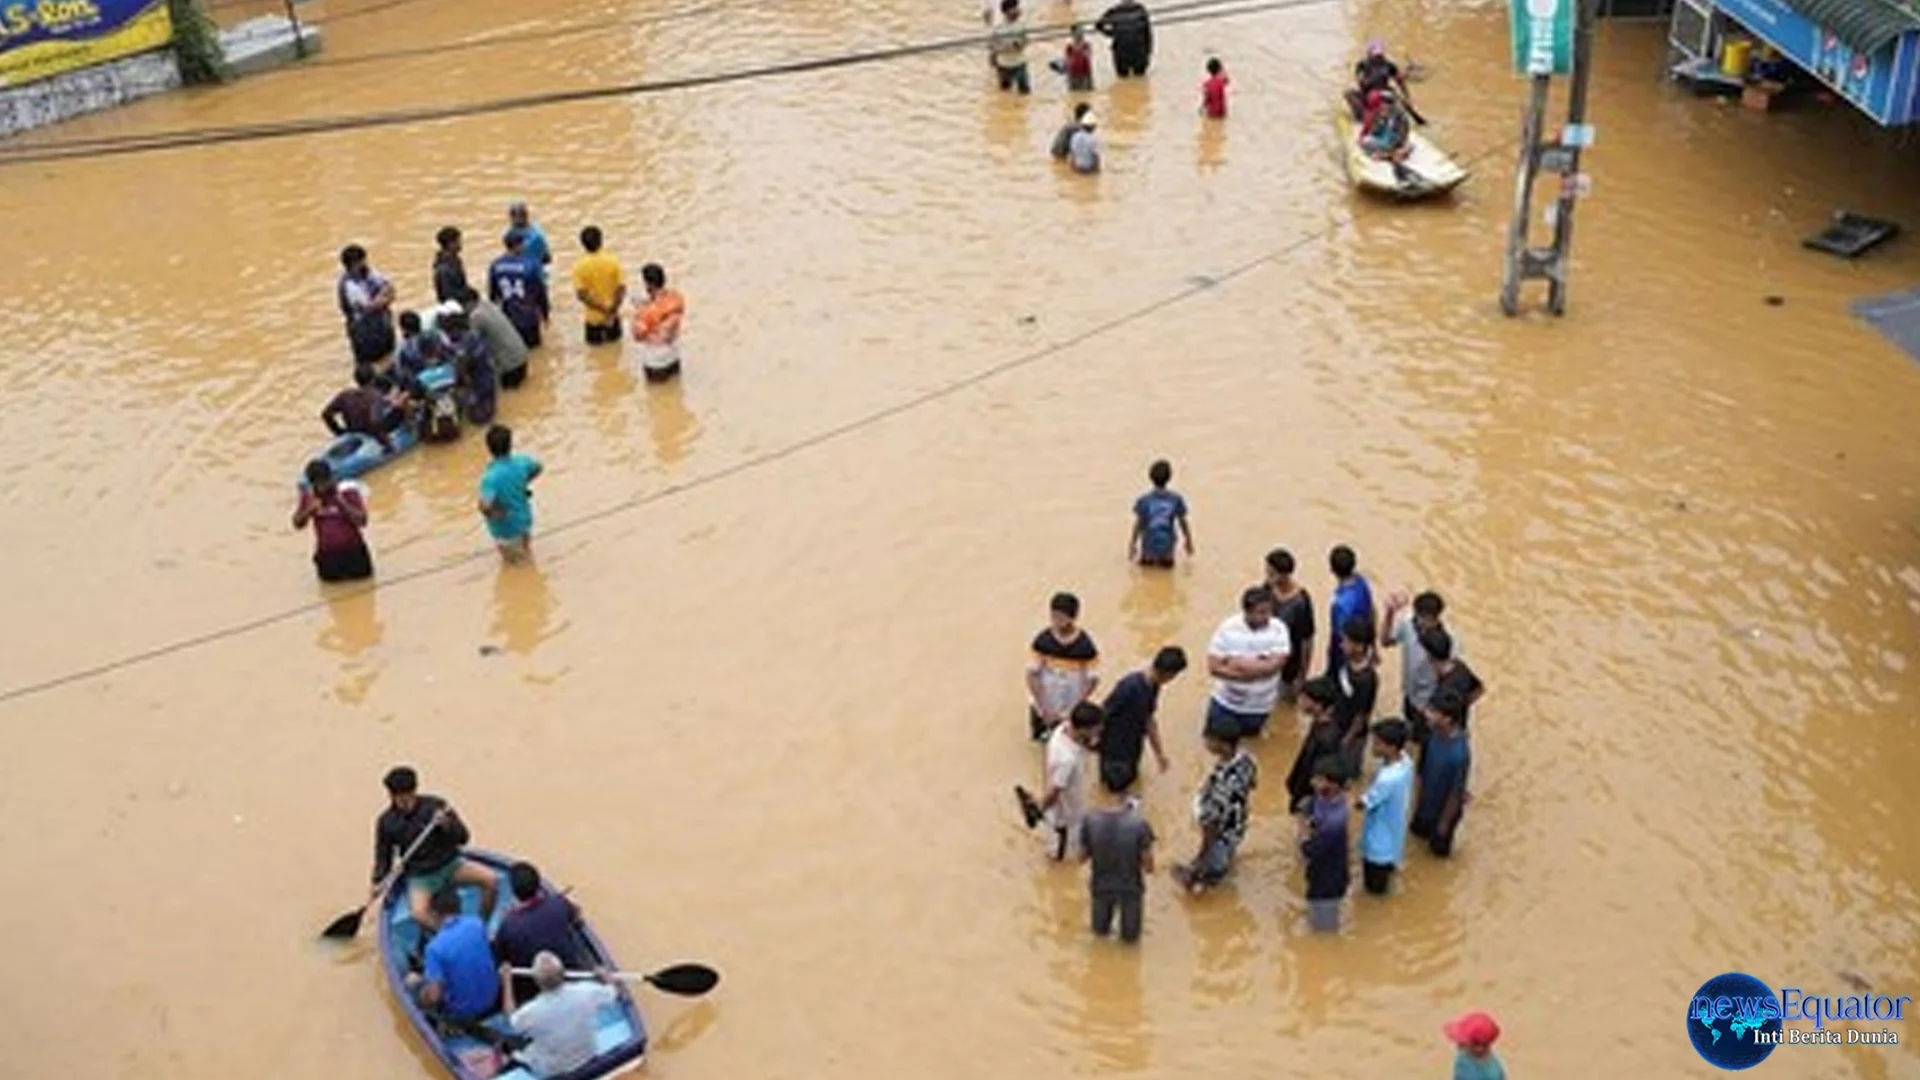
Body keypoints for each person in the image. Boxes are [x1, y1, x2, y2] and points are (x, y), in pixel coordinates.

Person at [371, 766, 497, 929]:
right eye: (399, 797)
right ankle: (450, 935)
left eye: (408, 795)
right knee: (419, 914)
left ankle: (481, 925)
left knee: (490, 880)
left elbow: (463, 838)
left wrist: (447, 825)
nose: (405, 802)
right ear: (391, 796)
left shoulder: (436, 806)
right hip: (420, 877)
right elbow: (383, 855)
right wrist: (377, 881)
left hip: (450, 866)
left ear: (415, 791)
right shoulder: (386, 822)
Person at [1172, 709, 1255, 893]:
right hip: (1237, 825)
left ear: (1223, 745)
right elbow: (1251, 785)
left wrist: (1202, 855)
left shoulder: (1223, 785)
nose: (1206, 743)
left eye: (1209, 740)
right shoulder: (1247, 759)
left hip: (1220, 835)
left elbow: (1211, 825)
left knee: (1207, 876)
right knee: (1225, 854)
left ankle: (1205, 883)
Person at [501, 952, 619, 1078]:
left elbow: (510, 1017)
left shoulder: (531, 1012)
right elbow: (612, 993)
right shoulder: (586, 991)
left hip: (553, 1070)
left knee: (509, 1045)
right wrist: (606, 978)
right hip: (588, 1054)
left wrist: (507, 981)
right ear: (563, 973)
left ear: (536, 980)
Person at [1015, 702, 1103, 860]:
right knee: (1061, 859)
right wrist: (1039, 810)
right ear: (1084, 729)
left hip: (1068, 806)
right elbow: (1054, 791)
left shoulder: (1062, 729)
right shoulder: (1067, 760)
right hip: (1064, 819)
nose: (1100, 731)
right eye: (1096, 728)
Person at [494, 862, 587, 1004]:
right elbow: (578, 917)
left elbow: (501, 958)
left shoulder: (508, 925)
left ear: (514, 892)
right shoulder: (559, 903)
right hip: (570, 972)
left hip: (533, 986)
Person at [1205, 586, 1291, 739]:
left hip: (1259, 707)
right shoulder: (1227, 629)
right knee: (1214, 742)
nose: (1267, 617)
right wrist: (1253, 672)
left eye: (1269, 611)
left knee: (1250, 743)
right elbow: (1214, 668)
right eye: (1262, 612)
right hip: (1225, 704)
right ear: (1247, 611)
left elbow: (1276, 664)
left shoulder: (1279, 628)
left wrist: (1237, 663)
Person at [1079, 769, 1154, 943]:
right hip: (1130, 889)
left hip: (1101, 887)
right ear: (1127, 792)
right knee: (1130, 941)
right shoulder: (1140, 824)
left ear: (1103, 788)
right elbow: (1149, 867)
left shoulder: (1090, 821)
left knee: (1099, 936)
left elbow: (1081, 858)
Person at [1097, 646, 1185, 791]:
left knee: (1129, 778)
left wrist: (1159, 753)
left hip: (1133, 742)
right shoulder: (1128, 687)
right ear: (1169, 674)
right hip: (1115, 746)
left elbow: (1149, 720)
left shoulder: (1154, 685)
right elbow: (1104, 712)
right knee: (1115, 786)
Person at [407, 886, 500, 1022]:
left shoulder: (434, 949)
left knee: (411, 983)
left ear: (434, 914)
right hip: (494, 998)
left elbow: (434, 997)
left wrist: (419, 994)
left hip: (462, 1013)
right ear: (460, 906)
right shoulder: (477, 924)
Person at [1381, 589, 1457, 746]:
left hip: (1428, 701)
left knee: (1425, 741)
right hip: (1409, 692)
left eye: (1422, 618)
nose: (1418, 621)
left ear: (1434, 618)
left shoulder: (1449, 640)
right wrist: (1389, 613)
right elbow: (1385, 641)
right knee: (1410, 724)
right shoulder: (1408, 623)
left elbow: (1451, 675)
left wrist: (1438, 709)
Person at [1025, 591, 1101, 741]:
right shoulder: (1042, 641)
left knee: (1069, 741)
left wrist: (1077, 707)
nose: (1056, 621)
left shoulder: (1086, 647)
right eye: (1053, 616)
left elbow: (1093, 680)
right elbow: (1032, 675)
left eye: (1061, 617)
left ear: (1073, 618)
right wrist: (1043, 707)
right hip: (1044, 706)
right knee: (1040, 740)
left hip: (1070, 708)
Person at [1409, 688, 1472, 857]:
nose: (1427, 714)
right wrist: (1417, 799)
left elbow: (1456, 793)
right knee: (1415, 837)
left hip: (1443, 812)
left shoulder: (1460, 754)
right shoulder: (1431, 735)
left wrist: (1444, 823)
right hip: (1424, 803)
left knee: (1437, 853)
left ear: (1447, 719)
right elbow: (1420, 768)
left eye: (1433, 712)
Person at [1356, 719, 1413, 896]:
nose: (1373, 747)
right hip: (1394, 835)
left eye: (1378, 744)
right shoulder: (1406, 761)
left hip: (1378, 844)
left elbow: (1362, 804)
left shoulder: (1386, 780)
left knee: (1373, 891)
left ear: (1393, 747)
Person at [293, 460, 373, 582]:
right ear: (313, 484)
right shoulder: (308, 496)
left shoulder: (348, 492)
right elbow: (297, 524)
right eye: (319, 484)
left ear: (331, 478)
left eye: (325, 481)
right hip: (328, 557)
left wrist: (341, 502)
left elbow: (363, 521)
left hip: (354, 553)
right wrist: (309, 510)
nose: (323, 486)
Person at [1298, 756, 1350, 932]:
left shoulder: (1335, 821)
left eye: (1319, 779)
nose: (1313, 782)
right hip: (1320, 870)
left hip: (1329, 879)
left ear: (1334, 785)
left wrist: (1302, 825)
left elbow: (1309, 850)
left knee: (1326, 928)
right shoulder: (1324, 797)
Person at [479, 424, 543, 565]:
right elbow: (538, 467)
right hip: (524, 522)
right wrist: (523, 482)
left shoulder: (490, 478)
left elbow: (484, 507)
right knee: (526, 553)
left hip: (506, 531)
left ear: (489, 449)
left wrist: (498, 513)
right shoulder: (522, 462)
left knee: (518, 567)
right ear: (510, 444)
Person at [1283, 676, 1344, 810]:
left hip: (1310, 795)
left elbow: (1326, 775)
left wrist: (1308, 798)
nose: (1301, 702)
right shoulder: (1318, 724)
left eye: (1306, 699)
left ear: (1319, 704)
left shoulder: (1328, 737)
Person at [1263, 548, 1316, 702]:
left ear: (1285, 575)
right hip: (1267, 658)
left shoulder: (1300, 602)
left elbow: (1307, 640)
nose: (1268, 576)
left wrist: (1302, 675)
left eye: (1272, 573)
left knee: (1286, 702)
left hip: (1289, 665)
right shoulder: (1267, 589)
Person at [1331, 616, 1380, 778]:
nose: (1341, 645)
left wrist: (1348, 738)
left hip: (1352, 734)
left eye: (1346, 641)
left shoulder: (1366, 679)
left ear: (1359, 646)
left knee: (1347, 773)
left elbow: (1362, 715)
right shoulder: (1347, 662)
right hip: (1338, 723)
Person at [489, 229, 551, 349]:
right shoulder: (530, 265)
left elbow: (493, 294)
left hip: (509, 316)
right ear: (518, 245)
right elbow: (541, 293)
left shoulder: (495, 265)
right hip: (529, 316)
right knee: (534, 350)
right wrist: (545, 314)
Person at [322, 363, 405, 451]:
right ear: (373, 379)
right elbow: (375, 422)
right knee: (400, 409)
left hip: (353, 430)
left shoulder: (345, 395)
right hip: (371, 432)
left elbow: (326, 414)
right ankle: (411, 428)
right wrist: (387, 444)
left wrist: (339, 432)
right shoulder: (375, 396)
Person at [337, 244, 396, 366]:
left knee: (390, 357)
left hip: (382, 326)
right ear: (354, 263)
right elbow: (369, 307)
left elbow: (390, 287)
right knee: (370, 364)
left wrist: (381, 299)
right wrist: (384, 297)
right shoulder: (349, 285)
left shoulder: (369, 273)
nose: (365, 262)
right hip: (364, 333)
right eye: (363, 260)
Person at [461, 286, 530, 390]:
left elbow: (471, 346)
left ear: (468, 303)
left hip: (509, 367)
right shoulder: (488, 304)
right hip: (522, 356)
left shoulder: (476, 316)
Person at [1129, 459, 1192, 567]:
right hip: (1167, 545)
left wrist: (1132, 544)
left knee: (1146, 575)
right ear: (1169, 478)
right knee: (1168, 577)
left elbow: (1138, 524)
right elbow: (1183, 523)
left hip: (1149, 545)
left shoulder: (1144, 500)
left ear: (1150, 477)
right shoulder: (1176, 499)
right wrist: (1188, 541)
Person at [630, 263, 687, 383]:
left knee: (655, 398)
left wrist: (636, 314)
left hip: (655, 361)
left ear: (648, 284)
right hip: (673, 356)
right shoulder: (677, 297)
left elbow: (638, 336)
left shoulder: (646, 313)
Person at [1325, 544, 1375, 679]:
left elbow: (1342, 635)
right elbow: (1371, 611)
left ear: (1332, 569)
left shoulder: (1340, 603)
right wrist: (1373, 646)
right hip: (1363, 638)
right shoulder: (1362, 582)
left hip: (1345, 644)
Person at [571, 226, 627, 345]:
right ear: (601, 241)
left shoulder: (579, 267)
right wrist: (611, 311)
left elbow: (582, 295)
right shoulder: (613, 262)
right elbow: (621, 289)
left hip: (593, 320)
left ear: (583, 244)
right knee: (615, 350)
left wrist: (602, 309)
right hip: (613, 317)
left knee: (594, 356)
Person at [443, 306, 498, 425]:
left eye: (448, 332)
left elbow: (461, 368)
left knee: (478, 418)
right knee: (488, 413)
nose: (448, 336)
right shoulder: (475, 335)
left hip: (478, 383)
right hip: (488, 379)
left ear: (455, 329)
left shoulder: (462, 344)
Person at [1348, 39, 1411, 119]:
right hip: (1377, 93)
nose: (1378, 58)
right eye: (1377, 55)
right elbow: (1400, 81)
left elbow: (1359, 81)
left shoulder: (1364, 64)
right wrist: (1406, 96)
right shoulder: (1388, 65)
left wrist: (1406, 96)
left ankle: (1361, 117)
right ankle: (1364, 114)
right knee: (1350, 93)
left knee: (1349, 94)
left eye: (1378, 55)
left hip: (1376, 94)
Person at [1094, 0, 1153, 77]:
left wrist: (1112, 33)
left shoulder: (1115, 11)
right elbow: (1148, 34)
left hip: (1121, 51)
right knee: (1140, 78)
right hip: (1139, 51)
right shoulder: (1140, 10)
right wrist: (1148, 52)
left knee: (1123, 78)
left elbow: (1098, 25)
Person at [1443, 1010, 1507, 1080]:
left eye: (1463, 1042)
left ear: (1479, 1048)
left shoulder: (1492, 1074)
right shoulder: (1463, 1054)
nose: (1458, 1044)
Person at [989, 0, 1031, 95]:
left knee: (1025, 93)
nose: (1018, 10)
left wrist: (1020, 44)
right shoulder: (998, 28)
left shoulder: (1022, 25)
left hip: (1020, 64)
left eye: (1017, 7)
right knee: (1005, 93)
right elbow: (991, 46)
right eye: (1014, 8)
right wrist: (1003, 49)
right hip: (1003, 65)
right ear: (1006, 11)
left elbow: (1026, 41)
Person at [506, 202, 554, 284]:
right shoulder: (538, 231)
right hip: (538, 275)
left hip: (522, 278)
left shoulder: (510, 233)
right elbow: (547, 258)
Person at [1358, 89, 1411, 161]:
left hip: (1393, 141)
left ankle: (1386, 155)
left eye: (1385, 102)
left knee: (1367, 142)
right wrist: (1381, 120)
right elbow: (1375, 131)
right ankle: (1386, 154)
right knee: (1365, 141)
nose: (1382, 105)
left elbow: (1402, 134)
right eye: (1382, 102)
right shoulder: (1382, 113)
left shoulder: (1400, 116)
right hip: (1383, 138)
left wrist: (1396, 145)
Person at [433, 226, 470, 305]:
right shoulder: (444, 269)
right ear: (451, 244)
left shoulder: (455, 261)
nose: (461, 244)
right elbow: (447, 295)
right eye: (458, 241)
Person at [1057, 24, 1094, 91]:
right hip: (1072, 74)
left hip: (1084, 74)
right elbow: (1067, 60)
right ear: (1073, 34)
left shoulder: (1086, 45)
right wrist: (1063, 68)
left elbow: (1088, 56)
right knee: (1074, 93)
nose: (1081, 34)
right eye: (1079, 32)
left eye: (1081, 32)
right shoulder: (1069, 47)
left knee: (1086, 92)